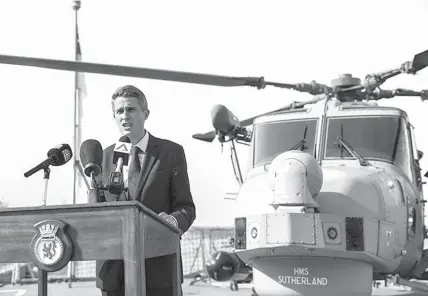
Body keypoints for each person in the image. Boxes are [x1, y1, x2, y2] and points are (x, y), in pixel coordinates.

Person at [94, 85, 196, 296]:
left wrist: (172, 222)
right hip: (113, 274)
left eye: (131, 110)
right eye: (119, 112)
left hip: (159, 269)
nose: (125, 116)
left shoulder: (171, 153)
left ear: (145, 113)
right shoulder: (103, 158)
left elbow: (186, 207)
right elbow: (95, 213)